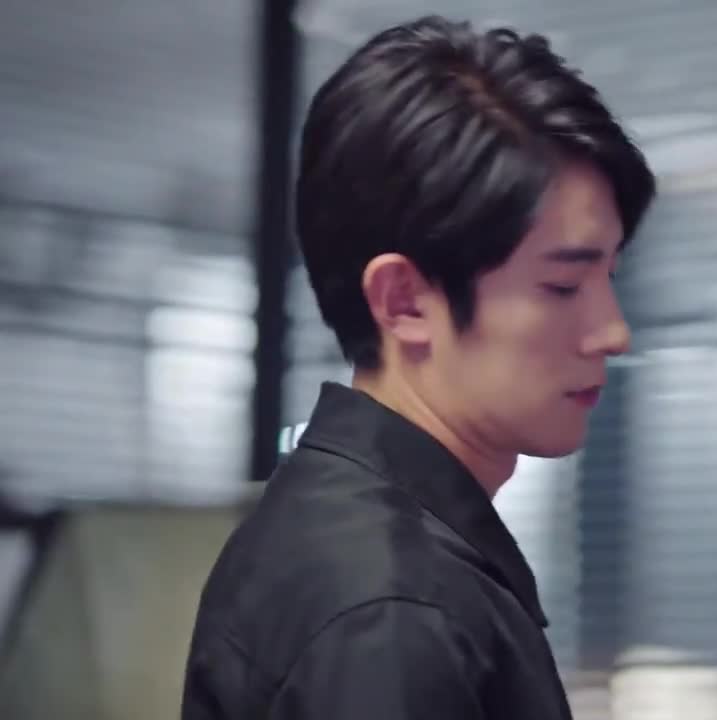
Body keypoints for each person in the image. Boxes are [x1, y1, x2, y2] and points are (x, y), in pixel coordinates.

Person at [181, 14, 655, 719]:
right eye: (562, 286)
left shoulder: (353, 537)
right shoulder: (394, 610)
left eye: (608, 277)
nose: (613, 332)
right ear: (404, 301)